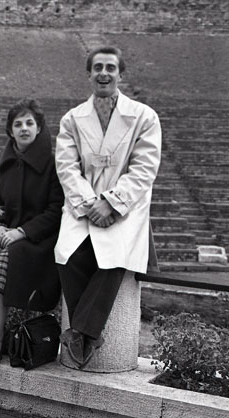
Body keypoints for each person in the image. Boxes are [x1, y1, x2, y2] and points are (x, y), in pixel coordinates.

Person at [54, 46, 162, 368]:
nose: (103, 73)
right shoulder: (72, 119)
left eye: (110, 68)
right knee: (67, 254)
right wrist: (90, 204)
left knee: (114, 257)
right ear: (89, 74)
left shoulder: (144, 117)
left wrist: (112, 203)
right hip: (83, 202)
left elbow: (144, 168)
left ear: (120, 75)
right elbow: (67, 167)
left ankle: (79, 333)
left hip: (125, 207)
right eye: (97, 67)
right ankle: (87, 333)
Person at [0, 99, 64, 367]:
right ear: (10, 131)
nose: (24, 128)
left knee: (1, 263)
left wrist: (21, 232)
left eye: (29, 123)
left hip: (38, 240)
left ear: (39, 128)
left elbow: (55, 211)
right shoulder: (4, 166)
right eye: (18, 124)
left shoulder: (52, 165)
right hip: (6, 233)